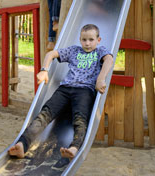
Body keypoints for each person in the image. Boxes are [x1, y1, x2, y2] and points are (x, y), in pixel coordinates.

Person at [8, 24, 114, 160]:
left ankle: (74, 148)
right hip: (65, 89)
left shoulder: (100, 51)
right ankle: (22, 144)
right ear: (80, 39)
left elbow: (109, 60)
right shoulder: (74, 50)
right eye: (84, 39)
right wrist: (44, 70)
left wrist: (100, 79)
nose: (87, 43)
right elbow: (51, 54)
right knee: (44, 114)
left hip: (84, 91)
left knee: (80, 119)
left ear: (98, 40)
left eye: (91, 40)